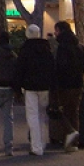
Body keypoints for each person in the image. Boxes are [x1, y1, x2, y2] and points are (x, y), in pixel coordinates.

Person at [14, 24, 54, 156]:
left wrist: (17, 89)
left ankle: (36, 147)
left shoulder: (25, 50)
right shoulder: (46, 49)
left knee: (32, 116)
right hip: (45, 86)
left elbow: (19, 70)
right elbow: (52, 68)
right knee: (42, 115)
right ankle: (42, 143)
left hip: (30, 87)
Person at [52, 20, 84, 152]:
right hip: (78, 83)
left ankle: (69, 133)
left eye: (56, 31)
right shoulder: (79, 46)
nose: (55, 34)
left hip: (65, 84)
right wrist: (79, 72)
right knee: (74, 112)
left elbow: (60, 67)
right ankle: (74, 143)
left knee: (60, 110)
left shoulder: (62, 47)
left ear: (61, 31)